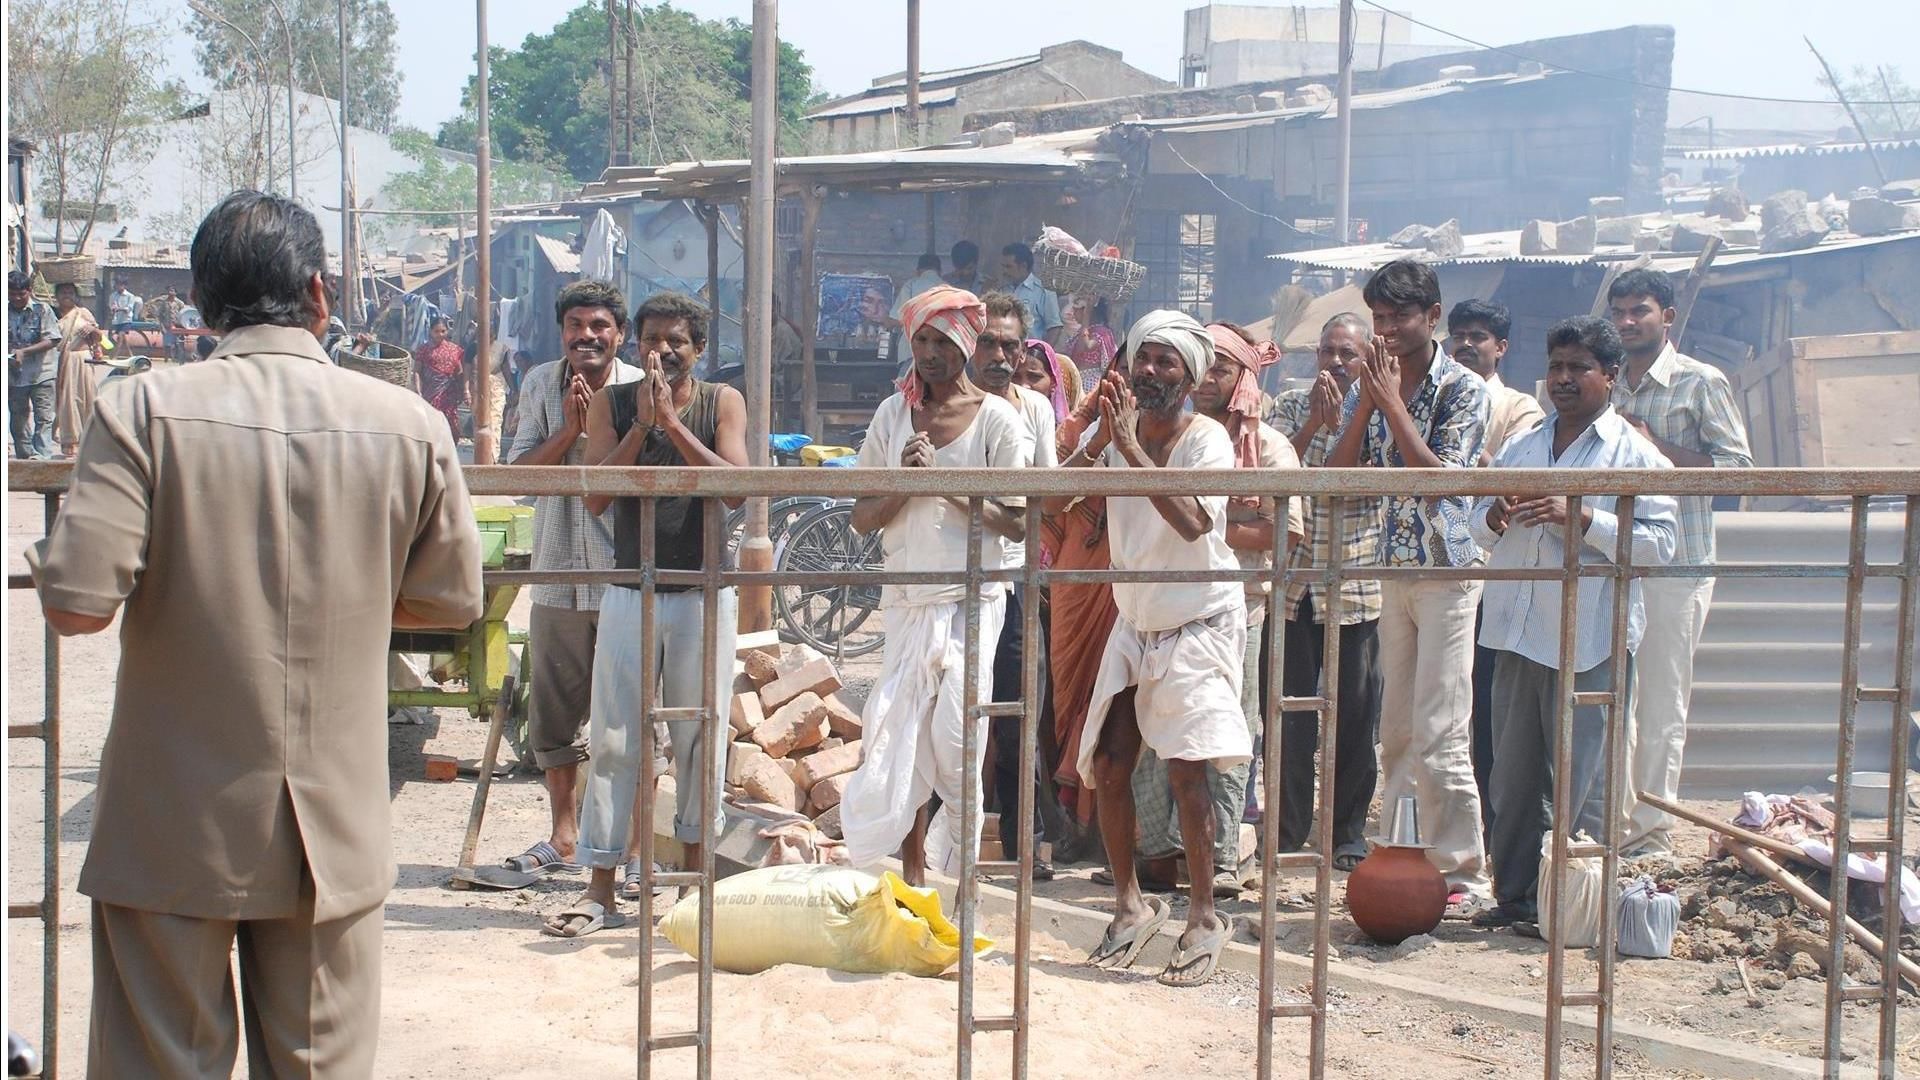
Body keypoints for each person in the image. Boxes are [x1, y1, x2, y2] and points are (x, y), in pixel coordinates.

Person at [27, 189, 483, 1077]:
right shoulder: (410, 424)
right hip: (333, 829)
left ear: (201, 303)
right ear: (319, 293)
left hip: (173, 825)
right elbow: (449, 602)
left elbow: (78, 605)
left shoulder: (141, 411)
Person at [545, 291, 749, 938]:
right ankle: (601, 887)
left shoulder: (722, 402)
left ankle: (691, 887)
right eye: (652, 339)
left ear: (698, 349)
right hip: (631, 589)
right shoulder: (611, 404)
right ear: (637, 345)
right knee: (614, 740)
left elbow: (736, 487)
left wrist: (674, 426)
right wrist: (642, 426)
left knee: (698, 737)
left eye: (676, 341)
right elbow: (598, 496)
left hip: (702, 592)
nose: (663, 350)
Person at [1059, 310, 1250, 987]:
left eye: (1166, 362)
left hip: (1198, 618)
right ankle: (1129, 904)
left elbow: (1195, 521)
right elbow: (1057, 501)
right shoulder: (1120, 436)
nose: (1149, 371)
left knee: (1186, 771)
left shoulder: (1207, 440)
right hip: (1136, 617)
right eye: (1143, 358)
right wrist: (1094, 438)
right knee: (1110, 763)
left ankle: (1204, 916)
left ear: (1189, 378)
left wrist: (1129, 452)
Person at [1469, 315, 1676, 929]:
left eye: (1578, 368)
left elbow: (1662, 546)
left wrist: (1582, 518)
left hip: (1589, 638)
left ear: (1609, 376)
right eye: (1556, 366)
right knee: (1511, 777)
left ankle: (1573, 908)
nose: (1563, 378)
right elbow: (1477, 524)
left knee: (1581, 778)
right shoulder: (1524, 447)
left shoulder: (1634, 454)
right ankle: (1515, 897)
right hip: (1515, 632)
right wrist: (1495, 515)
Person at [839, 285, 1034, 886]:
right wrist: (905, 481)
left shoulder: (998, 419)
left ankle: (960, 875)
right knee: (901, 735)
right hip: (906, 597)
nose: (930, 353)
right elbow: (863, 515)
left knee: (958, 738)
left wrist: (945, 482)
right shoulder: (891, 415)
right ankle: (913, 874)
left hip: (972, 600)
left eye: (943, 341)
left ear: (966, 345)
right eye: (921, 340)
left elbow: (1018, 520)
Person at [1328, 259, 1492, 910]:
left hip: (1447, 571)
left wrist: (1392, 405)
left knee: (1440, 730)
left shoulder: (1463, 389)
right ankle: (1402, 855)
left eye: (1400, 316)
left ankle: (1462, 872)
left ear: (1433, 317)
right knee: (1394, 731)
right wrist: (1369, 402)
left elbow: (1441, 482)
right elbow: (1338, 479)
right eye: (1379, 317)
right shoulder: (1371, 381)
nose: (1387, 329)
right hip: (1392, 567)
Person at [1126, 320, 1302, 898]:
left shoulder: (1267, 447)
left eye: (1222, 370)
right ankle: (1158, 854)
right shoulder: (1143, 431)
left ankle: (1221, 859)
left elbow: (1281, 531)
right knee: (1154, 739)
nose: (1209, 382)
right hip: (1154, 604)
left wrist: (1213, 526)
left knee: (1221, 737)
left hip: (1232, 606)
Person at [1606, 267, 1753, 856]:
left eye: (1638, 310)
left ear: (1666, 316)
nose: (1627, 322)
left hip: (1676, 564)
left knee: (1661, 702)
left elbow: (1740, 474)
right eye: (1619, 311)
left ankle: (1651, 832)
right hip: (1611, 562)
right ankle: (1610, 824)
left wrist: (1656, 449)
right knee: (1611, 699)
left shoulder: (1700, 382)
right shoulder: (1605, 382)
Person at [503, 279, 644, 887]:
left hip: (623, 576)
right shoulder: (540, 384)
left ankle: (634, 849)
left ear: (619, 334)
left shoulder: (641, 388)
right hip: (558, 574)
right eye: (576, 326)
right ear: (561, 332)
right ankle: (564, 836)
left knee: (631, 717)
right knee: (554, 716)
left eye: (599, 326)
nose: (587, 336)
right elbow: (519, 479)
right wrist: (569, 431)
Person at [1266, 313, 1385, 871]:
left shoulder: (1382, 412)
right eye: (1327, 352)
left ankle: (1345, 833)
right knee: (1288, 716)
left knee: (1355, 719)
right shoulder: (1291, 405)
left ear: (1367, 358)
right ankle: (1288, 831)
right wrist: (1314, 423)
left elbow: (1346, 482)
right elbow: (1273, 475)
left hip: (1354, 585)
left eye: (1347, 354)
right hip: (1291, 584)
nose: (1335, 363)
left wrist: (1355, 413)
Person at [1448, 298, 1547, 841]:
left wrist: (1461, 448)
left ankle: (1493, 821)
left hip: (1494, 570)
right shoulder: (1434, 395)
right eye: (1458, 335)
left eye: (1478, 336)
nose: (1465, 344)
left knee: (1488, 702)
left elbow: (1514, 475)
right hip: (1443, 565)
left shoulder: (1517, 408)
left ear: (1500, 347)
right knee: (1445, 704)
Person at [972, 292, 1059, 879]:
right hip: (955, 578)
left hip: (1016, 578)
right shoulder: (948, 406)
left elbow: (1043, 492)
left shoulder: (1035, 410)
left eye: (1009, 344)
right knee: (952, 714)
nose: (999, 356)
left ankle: (1023, 844)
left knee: (1018, 713)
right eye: (988, 342)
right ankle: (940, 847)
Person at [1038, 345, 1117, 848]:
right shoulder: (1074, 433)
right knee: (1064, 699)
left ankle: (1104, 827)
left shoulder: (1173, 438)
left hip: (1122, 584)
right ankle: (1068, 820)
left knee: (1109, 701)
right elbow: (1051, 502)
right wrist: (1098, 438)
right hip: (1072, 577)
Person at [8, 271, 62, 460]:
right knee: (18, 420)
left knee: (44, 418)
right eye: (12, 294)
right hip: (14, 377)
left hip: (42, 374)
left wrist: (24, 352)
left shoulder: (42, 309)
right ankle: (25, 459)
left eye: (21, 294)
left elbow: (52, 339)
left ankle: (42, 459)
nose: (16, 298)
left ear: (29, 291)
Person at [52, 283, 106, 457]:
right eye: (63, 292)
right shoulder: (51, 314)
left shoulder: (83, 313)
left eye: (70, 292)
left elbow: (99, 338)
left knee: (85, 398)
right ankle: (70, 441)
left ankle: (88, 440)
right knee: (66, 400)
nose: (66, 295)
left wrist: (92, 329)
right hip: (61, 360)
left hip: (82, 360)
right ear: (56, 296)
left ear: (76, 295)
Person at [1000, 242, 1063, 347]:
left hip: (1030, 352)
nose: (1004, 271)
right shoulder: (1002, 290)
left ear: (1023, 266)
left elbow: (1055, 328)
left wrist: (1043, 353)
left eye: (1009, 267)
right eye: (1003, 266)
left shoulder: (1043, 291)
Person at [415, 315, 466, 439]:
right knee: (431, 424)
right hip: (430, 393)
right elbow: (417, 372)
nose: (440, 334)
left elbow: (459, 372)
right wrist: (418, 391)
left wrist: (462, 391)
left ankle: (450, 448)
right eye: (436, 331)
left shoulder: (455, 350)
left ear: (447, 331)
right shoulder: (424, 350)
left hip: (449, 394)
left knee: (451, 424)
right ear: (431, 331)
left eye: (443, 331)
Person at [1062, 293, 1118, 383]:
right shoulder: (1079, 333)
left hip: (1091, 382)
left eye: (1076, 310)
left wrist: (1087, 315)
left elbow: (1086, 346)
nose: (1073, 313)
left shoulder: (1102, 332)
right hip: (1077, 380)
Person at [891, 253, 945, 322]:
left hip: (916, 328)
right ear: (940, 271)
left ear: (917, 271)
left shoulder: (910, 285)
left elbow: (898, 318)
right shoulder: (948, 287)